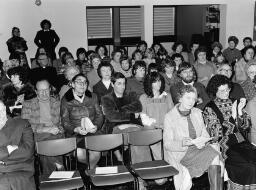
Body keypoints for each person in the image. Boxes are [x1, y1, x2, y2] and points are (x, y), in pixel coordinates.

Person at [164, 85, 223, 190]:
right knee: (214, 155)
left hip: (197, 149)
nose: (191, 102)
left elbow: (204, 134)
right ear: (180, 98)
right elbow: (167, 144)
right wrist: (182, 143)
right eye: (188, 98)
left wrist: (203, 141)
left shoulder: (197, 112)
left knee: (215, 155)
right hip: (180, 154)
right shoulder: (170, 116)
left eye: (193, 99)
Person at [203, 74, 256, 189]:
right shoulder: (209, 108)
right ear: (214, 91)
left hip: (243, 142)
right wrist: (232, 117)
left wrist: (240, 112)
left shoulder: (235, 102)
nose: (226, 93)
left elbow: (246, 126)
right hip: (225, 145)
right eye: (222, 91)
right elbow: (216, 135)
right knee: (249, 166)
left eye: (228, 89)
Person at [61, 73, 103, 168]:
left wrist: (96, 126)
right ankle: (93, 168)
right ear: (72, 84)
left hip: (92, 132)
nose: (82, 85)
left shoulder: (93, 96)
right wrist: (76, 129)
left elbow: (99, 115)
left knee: (96, 152)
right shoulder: (66, 100)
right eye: (78, 82)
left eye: (84, 82)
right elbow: (65, 121)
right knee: (79, 153)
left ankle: (90, 170)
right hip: (76, 134)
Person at [21, 79, 64, 174]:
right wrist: (46, 129)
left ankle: (49, 179)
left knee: (47, 147)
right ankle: (59, 167)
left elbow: (62, 123)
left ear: (50, 89)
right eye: (41, 90)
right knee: (47, 144)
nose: (44, 93)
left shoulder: (57, 103)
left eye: (46, 90)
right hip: (38, 135)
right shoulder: (28, 104)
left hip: (55, 135)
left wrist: (58, 128)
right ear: (36, 91)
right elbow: (25, 126)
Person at [0, 100, 36, 190]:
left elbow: (28, 152)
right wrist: (8, 149)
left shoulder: (22, 124)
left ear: (5, 109)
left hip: (19, 171)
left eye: (0, 110)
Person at [140, 72, 174, 161]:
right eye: (155, 81)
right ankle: (162, 166)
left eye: (160, 81)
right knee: (157, 145)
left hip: (166, 128)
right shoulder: (143, 97)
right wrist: (157, 126)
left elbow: (172, 114)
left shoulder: (167, 96)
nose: (159, 84)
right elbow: (143, 118)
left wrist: (166, 126)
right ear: (149, 83)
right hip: (152, 130)